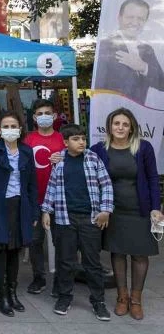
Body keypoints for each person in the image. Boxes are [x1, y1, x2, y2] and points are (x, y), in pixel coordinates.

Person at [92, 108, 162, 320]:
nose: (120, 127)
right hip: (113, 212)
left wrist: (156, 207)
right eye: (116, 123)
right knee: (118, 252)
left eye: (125, 124)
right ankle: (122, 298)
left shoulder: (144, 148)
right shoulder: (98, 149)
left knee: (140, 254)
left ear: (131, 127)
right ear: (109, 126)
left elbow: (152, 179)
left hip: (140, 210)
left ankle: (136, 299)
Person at [42, 124, 114, 321]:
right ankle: (65, 297)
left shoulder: (93, 158)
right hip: (65, 218)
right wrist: (46, 211)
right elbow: (52, 187)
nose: (81, 142)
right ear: (66, 142)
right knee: (66, 261)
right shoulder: (60, 161)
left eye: (83, 138)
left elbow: (106, 184)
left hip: (90, 218)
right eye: (75, 139)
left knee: (92, 262)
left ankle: (98, 301)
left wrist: (106, 210)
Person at [0, 111, 38, 317]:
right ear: (0, 129)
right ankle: (1, 295)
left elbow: (32, 185)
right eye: (6, 126)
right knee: (0, 251)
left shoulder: (27, 152)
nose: (10, 130)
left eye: (14, 126)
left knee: (15, 250)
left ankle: (13, 292)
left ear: (20, 129)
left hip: (20, 206)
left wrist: (34, 211)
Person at [23, 99, 65, 295]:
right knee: (35, 240)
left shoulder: (63, 139)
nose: (44, 117)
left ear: (54, 116)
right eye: (40, 114)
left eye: (47, 113)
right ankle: (38, 277)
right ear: (34, 118)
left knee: (61, 241)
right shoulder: (28, 140)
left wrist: (64, 157)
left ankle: (60, 280)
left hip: (59, 200)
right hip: (34, 199)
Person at [93, 0, 163, 105]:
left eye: (141, 19)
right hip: (113, 115)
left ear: (145, 21)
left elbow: (162, 83)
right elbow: (98, 88)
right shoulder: (105, 46)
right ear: (119, 18)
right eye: (130, 17)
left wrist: (143, 67)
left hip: (138, 117)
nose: (135, 22)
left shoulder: (147, 49)